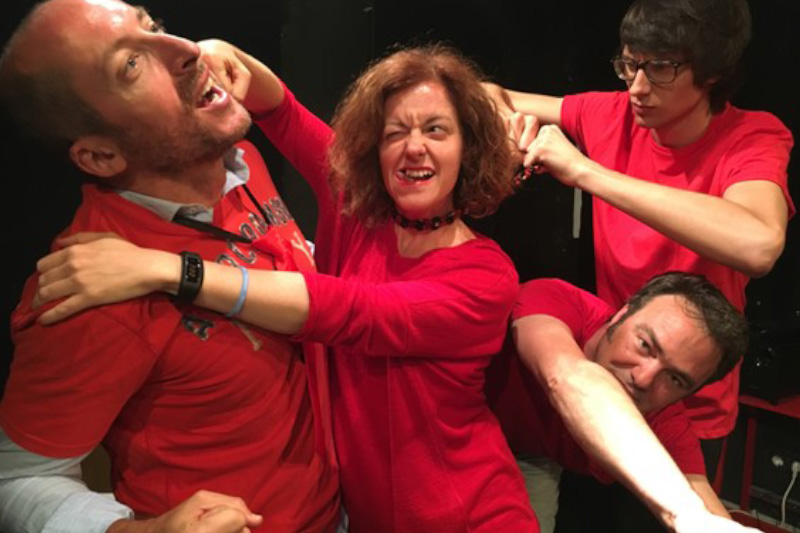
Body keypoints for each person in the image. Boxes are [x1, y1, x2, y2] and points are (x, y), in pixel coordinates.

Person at [34, 42, 540, 532]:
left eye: (436, 130)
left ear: (468, 147)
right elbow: (284, 114)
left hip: (472, 518)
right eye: (394, 132)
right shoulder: (359, 212)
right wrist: (223, 56)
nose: (414, 147)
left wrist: (170, 269)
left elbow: (352, 311)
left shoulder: (484, 275)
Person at [0, 0, 341, 532]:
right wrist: (142, 531)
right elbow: (17, 478)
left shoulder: (239, 164)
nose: (186, 49)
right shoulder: (86, 290)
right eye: (131, 65)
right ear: (101, 156)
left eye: (153, 25)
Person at [485, 0, 793, 496]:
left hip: (688, 405)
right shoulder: (611, 112)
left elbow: (758, 243)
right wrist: (511, 123)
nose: (637, 87)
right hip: (607, 381)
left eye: (662, 68)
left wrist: (586, 172)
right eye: (630, 64)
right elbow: (488, 94)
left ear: (712, 72)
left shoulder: (751, 136)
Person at [486, 272, 752, 532]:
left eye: (675, 378)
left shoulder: (666, 419)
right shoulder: (557, 300)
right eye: (645, 345)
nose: (643, 378)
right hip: (471, 425)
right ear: (621, 314)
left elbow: (705, 509)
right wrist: (684, 513)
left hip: (533, 457)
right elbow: (565, 376)